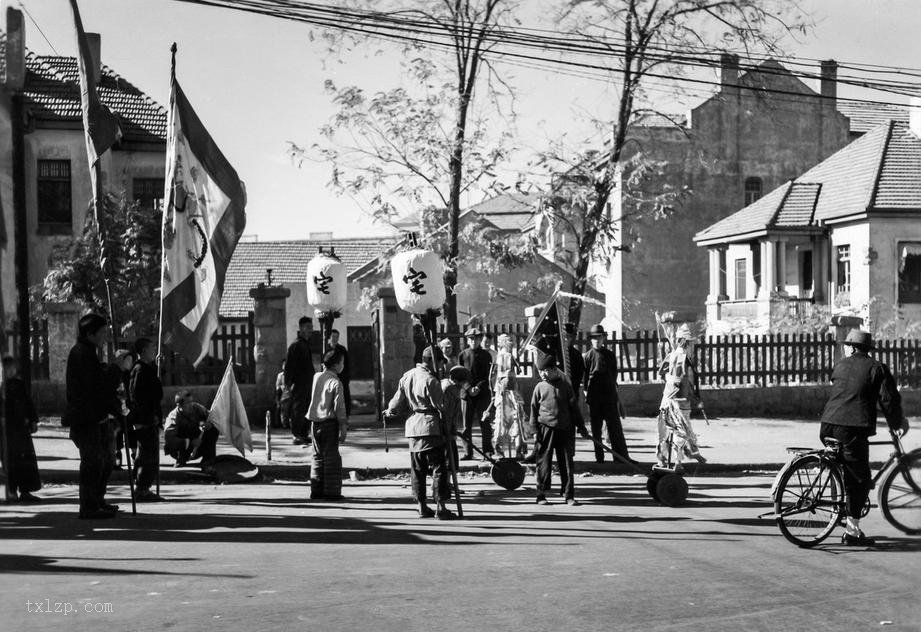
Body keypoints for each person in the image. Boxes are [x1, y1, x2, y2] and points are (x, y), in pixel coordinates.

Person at [819, 329, 909, 547]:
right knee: (859, 480)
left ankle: (839, 506)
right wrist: (897, 424)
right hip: (852, 428)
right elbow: (888, 400)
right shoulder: (877, 368)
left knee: (844, 468)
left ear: (850, 347)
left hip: (827, 425)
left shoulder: (841, 365)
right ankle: (852, 532)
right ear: (868, 349)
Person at [385, 346, 456, 520]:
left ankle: (422, 506)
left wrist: (389, 411)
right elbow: (441, 407)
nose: (440, 367)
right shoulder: (431, 380)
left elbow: (395, 404)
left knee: (417, 469)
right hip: (430, 427)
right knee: (439, 468)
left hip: (413, 429)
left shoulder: (407, 376)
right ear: (432, 360)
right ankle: (441, 507)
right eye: (440, 363)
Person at [64, 314, 119, 519]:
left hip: (97, 417)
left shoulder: (89, 352)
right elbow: (97, 387)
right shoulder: (81, 354)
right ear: (90, 333)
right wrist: (115, 369)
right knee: (92, 462)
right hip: (86, 419)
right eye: (102, 332)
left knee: (106, 460)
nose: (105, 336)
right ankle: (88, 506)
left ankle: (97, 499)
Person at [529, 352, 588, 506]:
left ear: (555, 370)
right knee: (543, 462)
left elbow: (574, 408)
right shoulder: (539, 387)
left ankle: (569, 495)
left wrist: (581, 427)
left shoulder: (565, 386)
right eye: (541, 371)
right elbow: (533, 410)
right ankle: (541, 494)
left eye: (546, 370)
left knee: (567, 463)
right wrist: (534, 430)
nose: (543, 373)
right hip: (545, 429)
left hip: (565, 428)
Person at [656, 325, 706, 469]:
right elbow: (687, 381)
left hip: (667, 397)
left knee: (664, 429)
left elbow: (661, 374)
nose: (692, 345)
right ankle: (678, 461)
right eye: (690, 342)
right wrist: (696, 398)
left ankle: (663, 459)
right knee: (681, 429)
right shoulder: (683, 358)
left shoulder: (671, 355)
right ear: (685, 342)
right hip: (679, 399)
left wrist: (669, 376)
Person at [583, 324, 631, 463]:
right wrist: (588, 395)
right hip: (594, 399)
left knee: (614, 427)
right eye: (594, 338)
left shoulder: (609, 355)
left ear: (604, 338)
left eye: (599, 337)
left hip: (609, 397)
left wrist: (614, 395)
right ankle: (600, 459)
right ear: (591, 340)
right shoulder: (588, 357)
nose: (597, 340)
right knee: (596, 430)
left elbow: (614, 376)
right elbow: (585, 380)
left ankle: (621, 457)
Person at [307, 348, 349, 500]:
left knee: (317, 457)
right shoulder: (336, 382)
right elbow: (340, 408)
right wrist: (343, 428)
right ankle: (331, 493)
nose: (343, 365)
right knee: (331, 459)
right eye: (342, 363)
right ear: (337, 365)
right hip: (329, 424)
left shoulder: (317, 377)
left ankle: (316, 491)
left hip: (315, 423)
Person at [1, 356, 41, 502]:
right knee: (9, 462)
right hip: (7, 431)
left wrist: (33, 420)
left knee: (26, 461)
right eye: (7, 369)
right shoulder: (2, 387)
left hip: (21, 430)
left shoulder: (19, 385)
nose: (9, 371)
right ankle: (11, 491)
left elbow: (28, 403)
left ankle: (25, 490)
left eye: (12, 368)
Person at [129, 337, 164, 502]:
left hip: (149, 417)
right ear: (143, 350)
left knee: (148, 453)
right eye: (152, 348)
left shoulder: (145, 368)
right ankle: (142, 488)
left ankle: (143, 486)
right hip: (145, 418)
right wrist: (149, 416)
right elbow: (138, 396)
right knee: (147, 454)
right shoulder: (139, 369)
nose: (154, 350)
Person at [489, 333, 526, 459]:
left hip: (505, 391)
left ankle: (515, 449)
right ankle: (512, 449)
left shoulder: (502, 355)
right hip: (507, 392)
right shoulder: (505, 355)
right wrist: (505, 388)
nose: (513, 344)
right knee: (509, 419)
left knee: (513, 419)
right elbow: (506, 376)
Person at [459, 328, 493, 460]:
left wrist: (478, 387)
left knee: (485, 423)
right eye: (471, 339)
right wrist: (468, 387)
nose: (474, 341)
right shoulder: (463, 355)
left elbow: (488, 375)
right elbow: (458, 375)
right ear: (468, 340)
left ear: (480, 340)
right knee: (466, 426)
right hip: (466, 395)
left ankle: (487, 452)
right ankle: (468, 452)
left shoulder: (486, 355)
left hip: (482, 393)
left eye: (476, 339)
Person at [163, 391, 218, 468]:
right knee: (183, 430)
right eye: (187, 403)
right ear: (179, 406)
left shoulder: (196, 407)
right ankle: (181, 459)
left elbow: (211, 417)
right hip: (180, 450)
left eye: (191, 402)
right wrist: (190, 442)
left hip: (198, 447)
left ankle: (208, 459)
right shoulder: (173, 417)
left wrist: (205, 423)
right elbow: (169, 439)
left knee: (213, 429)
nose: (190, 405)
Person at [285, 316, 316, 445]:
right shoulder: (296, 345)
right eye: (308, 327)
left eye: (311, 327)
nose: (310, 330)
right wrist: (288, 384)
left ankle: (303, 434)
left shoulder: (305, 344)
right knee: (298, 409)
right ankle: (296, 435)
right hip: (298, 384)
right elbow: (289, 366)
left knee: (307, 408)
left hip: (308, 383)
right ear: (301, 328)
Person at [441, 365, 469, 469]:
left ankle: (448, 482)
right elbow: (447, 412)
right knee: (449, 460)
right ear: (456, 380)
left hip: (447, 427)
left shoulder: (448, 385)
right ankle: (447, 482)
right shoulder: (449, 389)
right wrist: (449, 429)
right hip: (444, 429)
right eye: (463, 382)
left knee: (451, 459)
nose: (464, 385)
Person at [111, 348, 135, 470]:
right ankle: (117, 459)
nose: (131, 363)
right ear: (121, 360)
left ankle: (135, 457)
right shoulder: (114, 373)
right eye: (128, 360)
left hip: (128, 410)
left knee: (131, 433)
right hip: (117, 411)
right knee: (118, 435)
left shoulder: (129, 374)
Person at [328, 329, 352, 417]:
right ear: (329, 337)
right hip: (329, 378)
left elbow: (347, 364)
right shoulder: (326, 349)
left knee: (344, 398)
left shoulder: (342, 349)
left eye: (336, 337)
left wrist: (347, 377)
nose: (334, 339)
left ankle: (345, 417)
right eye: (333, 336)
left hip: (342, 378)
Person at [275, 360, 291, 429]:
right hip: (283, 394)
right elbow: (278, 386)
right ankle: (284, 424)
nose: (284, 366)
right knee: (283, 410)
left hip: (290, 394)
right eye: (283, 364)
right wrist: (282, 388)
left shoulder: (291, 374)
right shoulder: (280, 375)